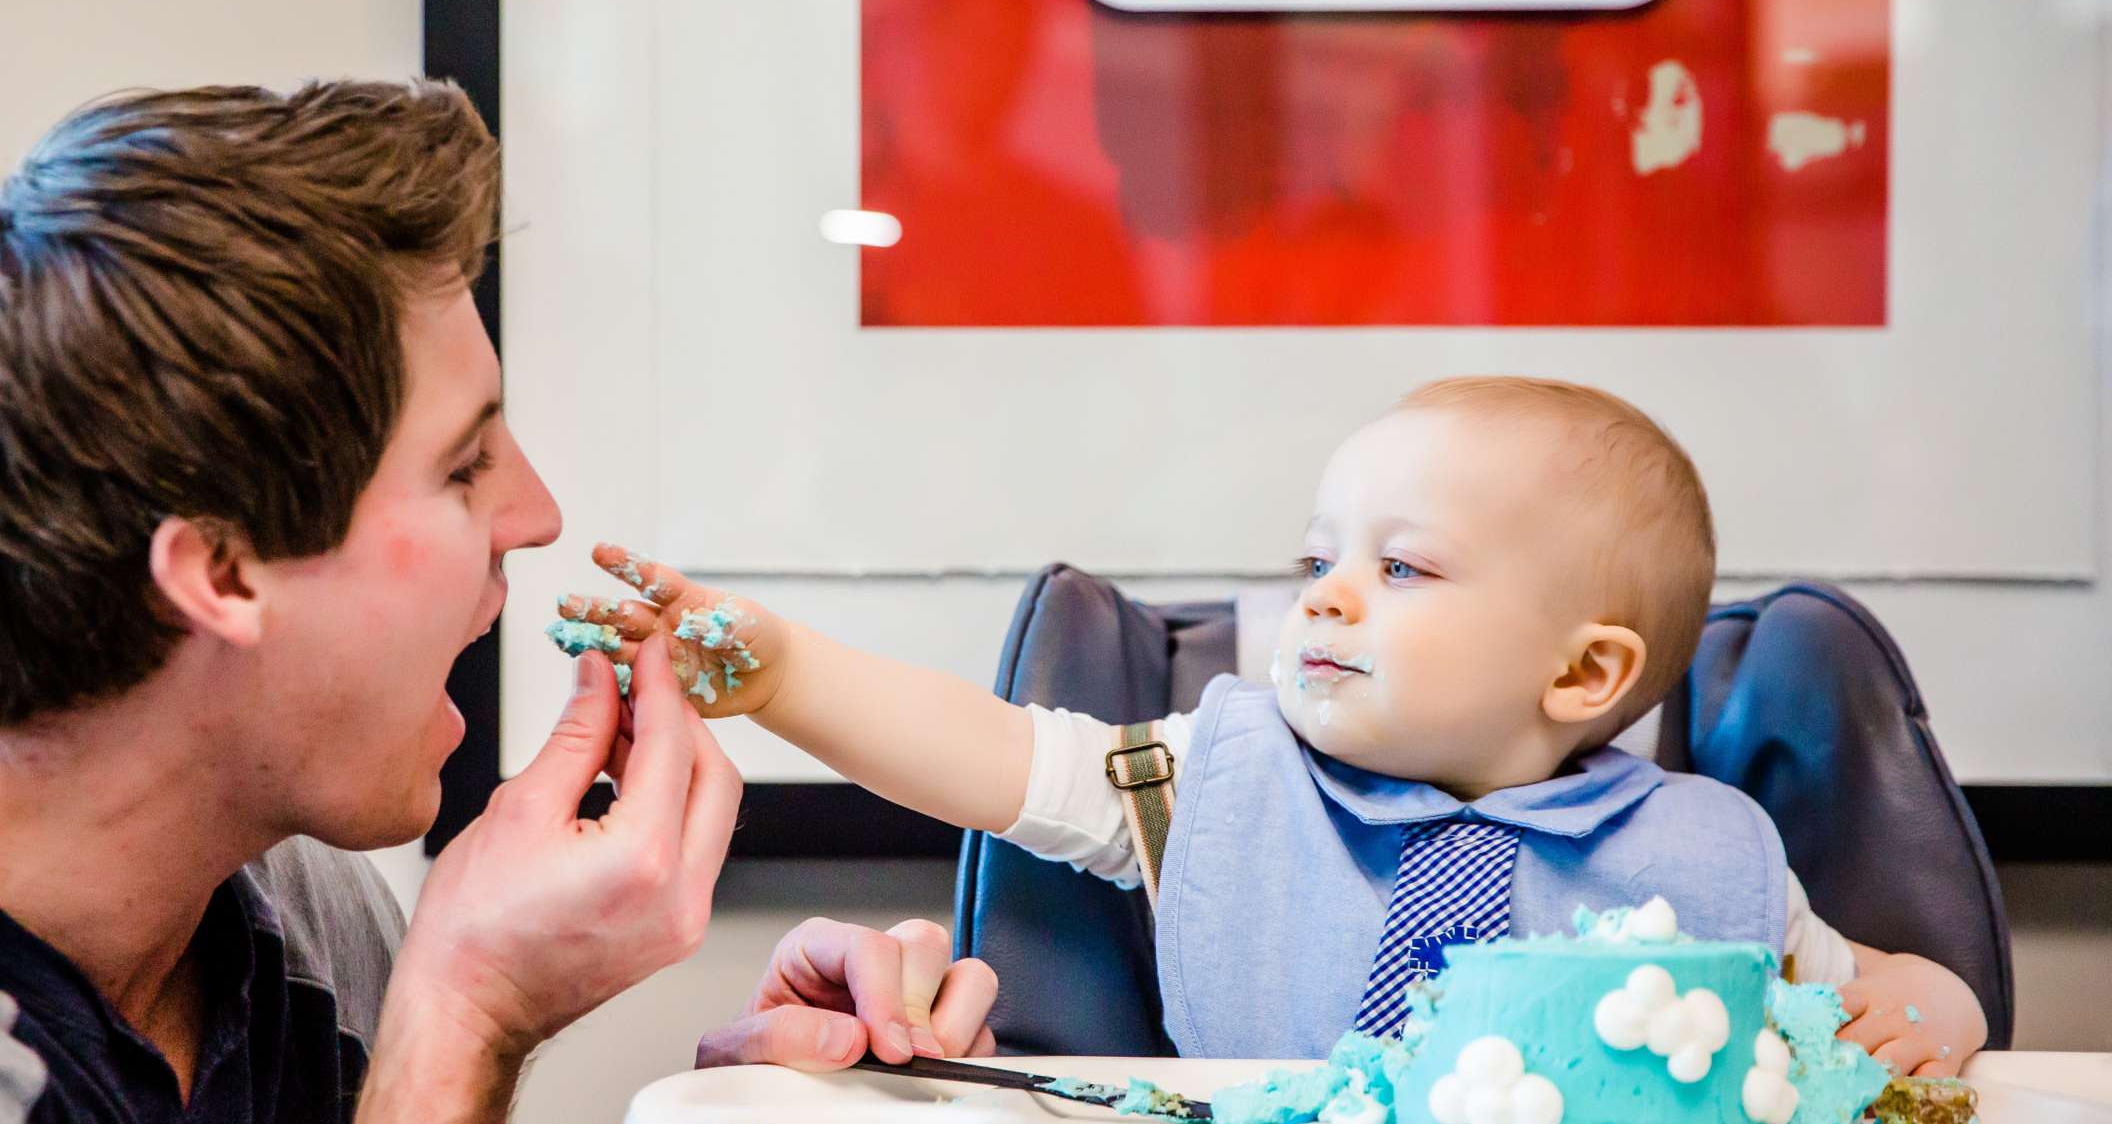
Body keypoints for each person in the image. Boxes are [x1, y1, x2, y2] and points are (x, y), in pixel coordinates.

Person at [0, 79, 997, 1124]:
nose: (538, 513)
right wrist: (463, 1020)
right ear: (219, 573)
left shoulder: (291, 899)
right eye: (462, 465)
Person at [562, 377, 1985, 1076]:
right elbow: (993, 760)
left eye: (1401, 568)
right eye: (1320, 563)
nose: (1326, 602)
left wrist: (1950, 1012)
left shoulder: (1705, 855)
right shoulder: (1218, 779)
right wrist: (785, 674)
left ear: (1583, 671)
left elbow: (1867, 992)